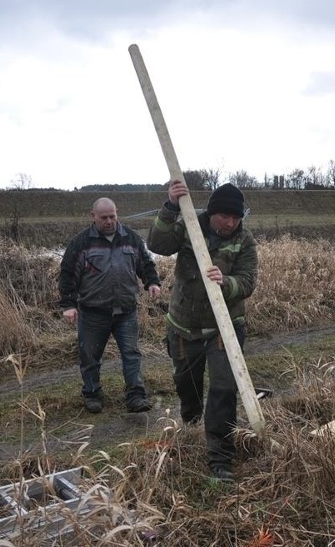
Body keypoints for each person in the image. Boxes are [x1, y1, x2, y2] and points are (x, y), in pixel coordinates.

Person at [148, 181, 258, 482]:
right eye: (225, 216)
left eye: (236, 218)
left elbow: (248, 281)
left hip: (224, 327)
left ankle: (220, 459)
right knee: (187, 385)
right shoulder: (189, 224)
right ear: (212, 213)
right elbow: (157, 245)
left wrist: (227, 281)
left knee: (223, 389)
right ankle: (192, 421)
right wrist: (170, 207)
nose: (231, 223)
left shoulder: (244, 241)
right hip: (184, 325)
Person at [59, 197, 160, 414]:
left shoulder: (130, 238)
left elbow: (146, 263)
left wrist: (151, 282)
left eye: (112, 216)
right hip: (93, 312)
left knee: (131, 353)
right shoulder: (81, 243)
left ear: (117, 214)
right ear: (93, 216)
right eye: (104, 217)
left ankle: (136, 395)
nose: (109, 221)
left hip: (126, 311)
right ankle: (92, 393)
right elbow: (67, 274)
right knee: (90, 356)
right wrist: (68, 304)